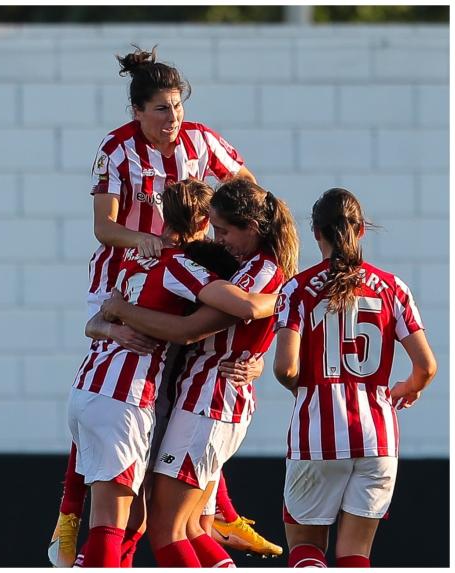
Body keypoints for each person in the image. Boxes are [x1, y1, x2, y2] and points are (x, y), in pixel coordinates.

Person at [48, 44, 276, 567]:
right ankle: (75, 515)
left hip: (146, 306)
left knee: (144, 484)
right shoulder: (117, 151)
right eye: (161, 108)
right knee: (157, 421)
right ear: (136, 111)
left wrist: (254, 350)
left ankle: (211, 507)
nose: (173, 118)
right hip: (138, 286)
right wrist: (270, 306)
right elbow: (105, 228)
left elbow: (254, 199)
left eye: (177, 106)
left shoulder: (204, 142)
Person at [67, 179, 283, 567]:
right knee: (138, 525)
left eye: (224, 231)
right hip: (130, 397)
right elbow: (230, 312)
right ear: (201, 220)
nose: (218, 240)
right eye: (214, 229)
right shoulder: (182, 266)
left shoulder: (134, 258)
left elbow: (96, 321)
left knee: (142, 522)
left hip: (98, 387)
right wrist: (289, 298)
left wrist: (116, 316)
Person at [273, 188, 435, 568]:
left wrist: (309, 388)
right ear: (361, 230)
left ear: (316, 234)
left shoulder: (296, 289)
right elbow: (426, 367)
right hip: (377, 437)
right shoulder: (394, 288)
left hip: (317, 436)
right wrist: (406, 388)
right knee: (355, 555)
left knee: (306, 548)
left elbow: (285, 368)